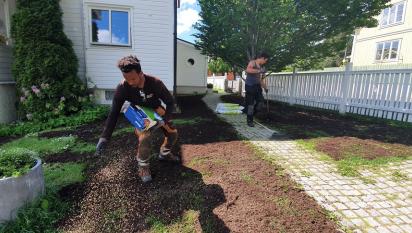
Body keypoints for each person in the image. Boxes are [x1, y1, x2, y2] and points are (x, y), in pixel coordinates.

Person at [95, 55, 179, 183]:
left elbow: (170, 102)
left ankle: (165, 153)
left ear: (140, 73)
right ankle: (143, 166)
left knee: (173, 134)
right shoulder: (122, 88)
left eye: (133, 78)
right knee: (145, 137)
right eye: (127, 79)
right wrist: (104, 137)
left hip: (156, 109)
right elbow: (113, 113)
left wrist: (166, 118)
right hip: (139, 113)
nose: (131, 82)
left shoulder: (155, 83)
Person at [244, 52, 269, 127]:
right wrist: (259, 71)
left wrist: (265, 87)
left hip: (257, 86)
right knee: (251, 105)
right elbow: (248, 70)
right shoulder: (253, 62)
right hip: (250, 86)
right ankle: (249, 120)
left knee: (260, 103)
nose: (265, 62)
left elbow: (260, 79)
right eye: (265, 60)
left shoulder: (261, 67)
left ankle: (251, 115)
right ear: (262, 58)